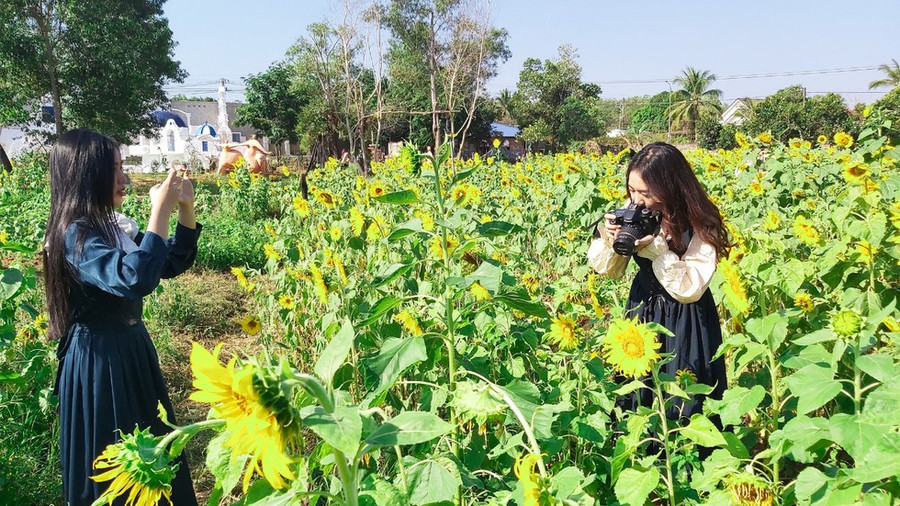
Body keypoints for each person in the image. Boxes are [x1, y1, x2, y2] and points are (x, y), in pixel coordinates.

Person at [44, 129, 200, 505]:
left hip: (130, 350)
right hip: (99, 362)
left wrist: (184, 209)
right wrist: (157, 212)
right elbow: (134, 279)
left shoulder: (109, 226)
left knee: (152, 450)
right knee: (114, 458)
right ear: (86, 174)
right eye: (113, 169)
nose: (124, 178)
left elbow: (168, 262)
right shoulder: (74, 235)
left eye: (121, 168)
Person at [587, 142, 730, 419]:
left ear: (670, 187)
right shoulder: (637, 211)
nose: (636, 200)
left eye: (646, 193)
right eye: (632, 190)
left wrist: (657, 250)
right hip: (642, 308)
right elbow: (610, 270)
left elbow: (690, 289)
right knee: (638, 390)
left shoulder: (700, 221)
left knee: (684, 394)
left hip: (686, 319)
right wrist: (612, 237)